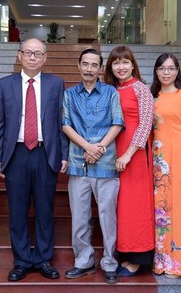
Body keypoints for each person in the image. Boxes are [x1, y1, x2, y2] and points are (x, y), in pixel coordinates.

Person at [0, 38, 69, 282]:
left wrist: (64, 154)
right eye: (28, 53)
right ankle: (22, 261)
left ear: (45, 58)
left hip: (46, 153)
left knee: (45, 210)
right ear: (19, 55)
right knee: (17, 211)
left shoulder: (56, 84)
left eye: (38, 53)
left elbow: (61, 121)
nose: (33, 57)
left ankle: (44, 259)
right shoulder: (5, 84)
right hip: (16, 153)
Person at [62, 48, 124, 284]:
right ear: (78, 66)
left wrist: (98, 148)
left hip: (106, 163)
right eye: (85, 64)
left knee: (108, 217)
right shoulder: (69, 94)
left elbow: (117, 123)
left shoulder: (110, 92)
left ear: (100, 69)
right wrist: (87, 147)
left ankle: (109, 262)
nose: (89, 69)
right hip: (79, 164)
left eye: (94, 65)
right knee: (79, 216)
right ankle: (84, 261)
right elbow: (66, 125)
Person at [104, 45, 155, 277]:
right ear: (110, 67)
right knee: (121, 205)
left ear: (133, 64)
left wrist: (128, 154)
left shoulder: (140, 89)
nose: (121, 67)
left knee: (136, 205)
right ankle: (125, 253)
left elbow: (145, 125)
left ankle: (139, 258)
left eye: (125, 62)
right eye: (116, 63)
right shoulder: (112, 89)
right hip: (114, 151)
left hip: (133, 154)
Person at [150, 53, 181, 278]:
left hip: (180, 159)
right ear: (156, 71)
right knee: (161, 210)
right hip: (158, 161)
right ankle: (161, 262)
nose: (166, 72)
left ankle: (180, 265)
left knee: (180, 211)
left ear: (178, 71)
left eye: (171, 68)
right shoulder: (152, 97)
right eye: (162, 68)